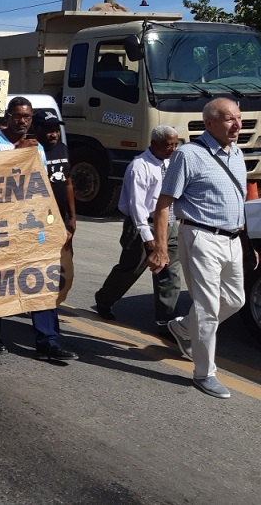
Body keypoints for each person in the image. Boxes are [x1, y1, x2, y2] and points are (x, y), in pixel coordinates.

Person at [148, 98, 250, 399]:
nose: (238, 125)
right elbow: (164, 204)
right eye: (230, 119)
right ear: (209, 123)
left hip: (232, 239)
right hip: (201, 237)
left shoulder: (238, 154)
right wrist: (162, 248)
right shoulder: (188, 156)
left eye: (239, 118)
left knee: (235, 299)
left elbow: (238, 202)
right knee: (208, 308)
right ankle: (204, 374)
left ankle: (182, 327)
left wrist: (246, 242)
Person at [0, 97, 78, 361]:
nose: (23, 121)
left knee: (40, 276)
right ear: (7, 117)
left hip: (29, 223)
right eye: (18, 116)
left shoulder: (38, 149)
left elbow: (39, 187)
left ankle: (48, 340)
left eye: (27, 117)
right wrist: (23, 149)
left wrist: (56, 221)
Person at [95, 126, 182, 326]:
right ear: (155, 144)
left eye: (175, 144)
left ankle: (167, 322)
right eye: (169, 145)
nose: (173, 149)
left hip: (168, 225)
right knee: (131, 269)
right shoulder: (139, 167)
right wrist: (147, 237)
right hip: (143, 226)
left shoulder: (171, 164)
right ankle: (105, 299)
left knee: (170, 273)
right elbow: (136, 205)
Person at [33, 110, 76, 239]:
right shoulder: (32, 151)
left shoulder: (62, 148)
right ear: (37, 130)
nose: (55, 135)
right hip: (40, 217)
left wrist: (72, 216)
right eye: (49, 131)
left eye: (57, 130)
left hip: (62, 216)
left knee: (65, 255)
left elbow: (68, 183)